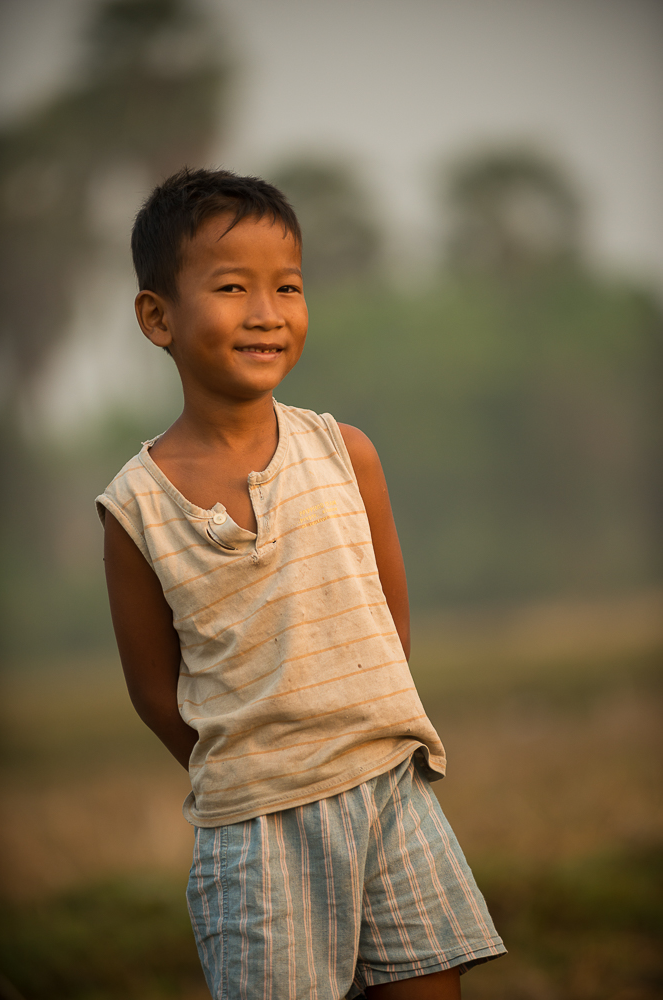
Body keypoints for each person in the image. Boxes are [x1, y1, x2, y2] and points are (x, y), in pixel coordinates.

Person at [97, 167, 505, 999]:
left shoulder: (344, 454)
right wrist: (251, 768)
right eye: (231, 286)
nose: (266, 312)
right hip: (256, 832)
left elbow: (387, 626)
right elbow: (151, 688)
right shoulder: (135, 507)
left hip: (392, 792)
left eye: (287, 286)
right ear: (157, 316)